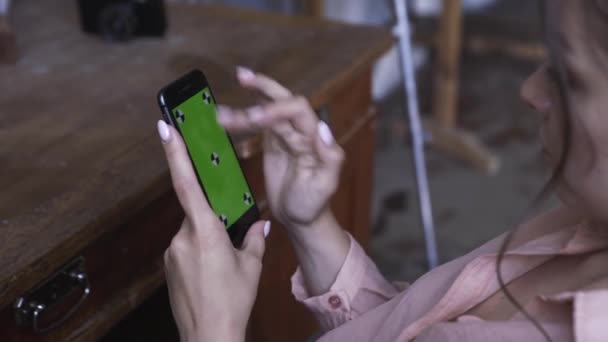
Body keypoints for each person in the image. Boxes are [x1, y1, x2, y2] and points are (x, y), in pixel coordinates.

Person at [156, 0, 608, 340]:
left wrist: (212, 329)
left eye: (569, 76)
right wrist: (310, 223)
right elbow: (406, 328)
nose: (530, 90)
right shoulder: (581, 222)